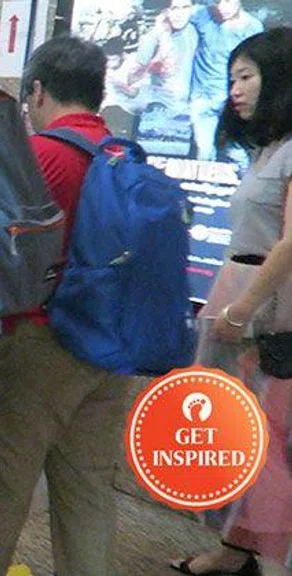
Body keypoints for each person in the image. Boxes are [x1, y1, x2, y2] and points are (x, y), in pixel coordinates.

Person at [0, 37, 132, 576]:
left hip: (39, 346)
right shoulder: (121, 155)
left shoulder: (43, 157)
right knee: (88, 494)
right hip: (108, 349)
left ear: (36, 91)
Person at [171, 27, 292, 576]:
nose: (235, 90)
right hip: (243, 301)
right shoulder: (269, 148)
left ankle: (269, 559)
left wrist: (243, 310)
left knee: (264, 445)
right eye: (232, 78)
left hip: (266, 315)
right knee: (237, 434)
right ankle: (236, 549)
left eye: (246, 76)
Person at [189, 0, 262, 162]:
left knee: (237, 152)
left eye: (227, 1)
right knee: (204, 151)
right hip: (203, 97)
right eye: (217, 2)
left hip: (234, 99)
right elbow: (174, 15)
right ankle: (205, 185)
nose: (222, 8)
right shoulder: (203, 15)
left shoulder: (252, 27)